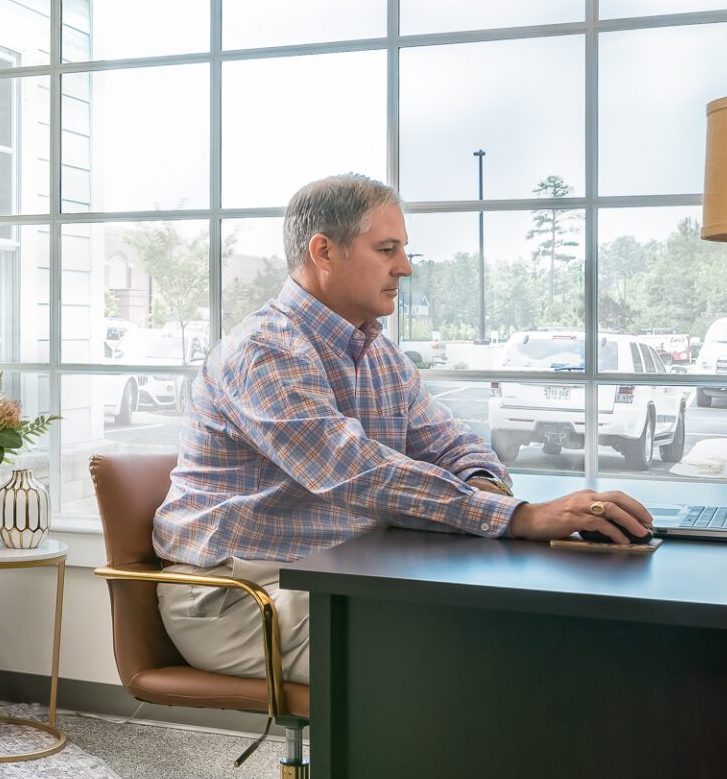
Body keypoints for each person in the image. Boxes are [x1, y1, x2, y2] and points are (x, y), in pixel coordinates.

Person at [152, 174, 652, 684]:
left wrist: (482, 485)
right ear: (324, 251)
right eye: (387, 249)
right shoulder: (265, 350)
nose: (405, 268)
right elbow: (355, 473)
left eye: (403, 249)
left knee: (509, 625)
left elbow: (451, 441)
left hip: (339, 573)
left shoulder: (378, 352)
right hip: (241, 596)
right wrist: (516, 516)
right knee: (465, 653)